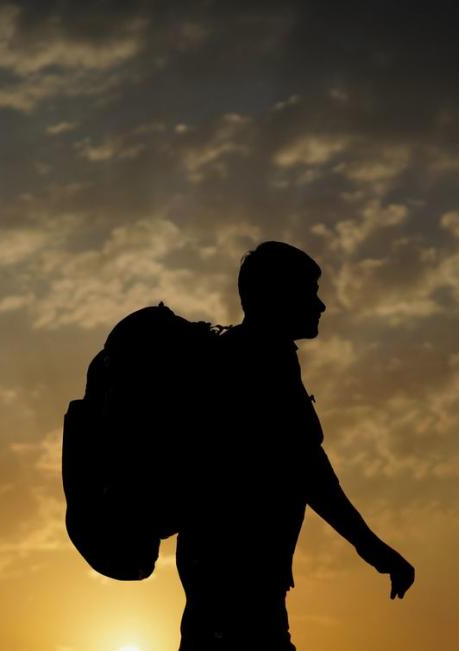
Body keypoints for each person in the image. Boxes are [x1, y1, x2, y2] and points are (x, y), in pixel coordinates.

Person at [176, 241, 415, 650]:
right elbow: (308, 472)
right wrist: (374, 549)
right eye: (310, 292)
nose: (320, 305)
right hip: (241, 575)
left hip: (220, 571)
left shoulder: (241, 354)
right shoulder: (262, 363)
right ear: (277, 296)